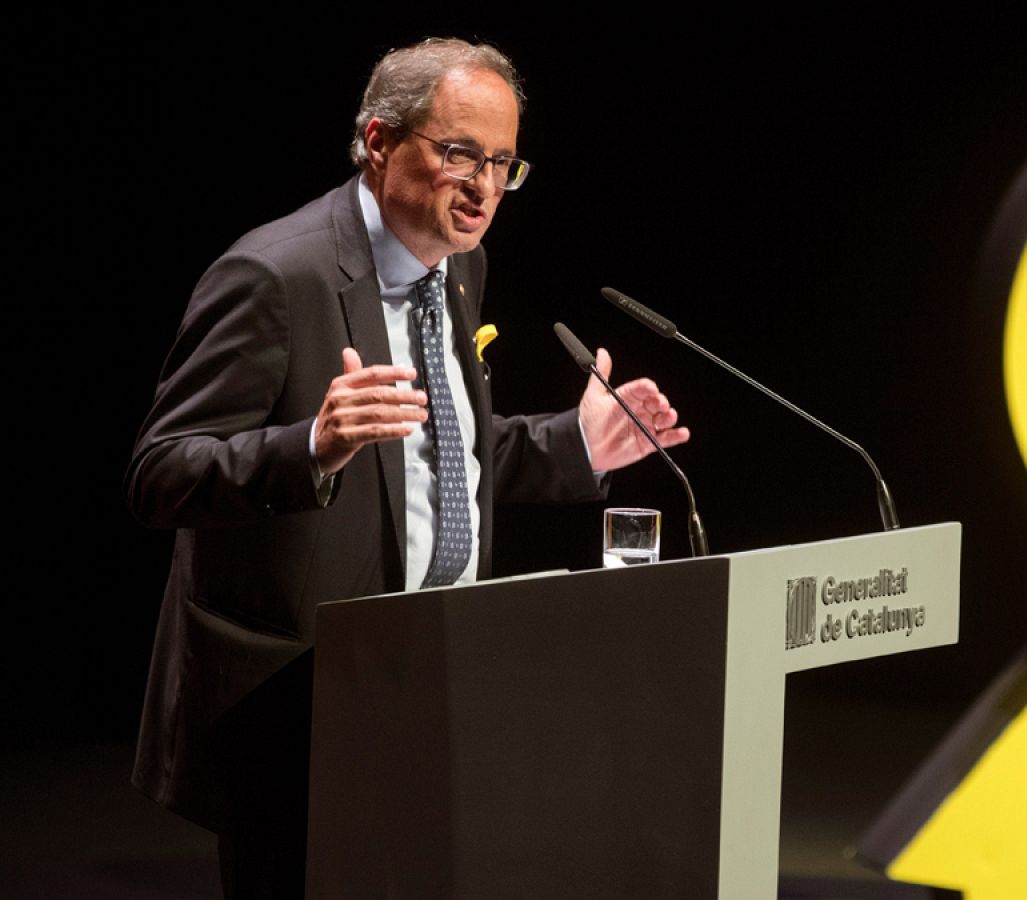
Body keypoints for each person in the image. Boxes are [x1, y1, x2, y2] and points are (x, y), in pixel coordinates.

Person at [124, 38, 687, 898]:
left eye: (503, 162)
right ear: (380, 141)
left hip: (433, 674)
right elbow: (161, 472)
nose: (485, 186)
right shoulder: (276, 276)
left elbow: (436, 458)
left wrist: (575, 444)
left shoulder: (459, 267)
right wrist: (309, 445)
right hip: (295, 701)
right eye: (460, 152)